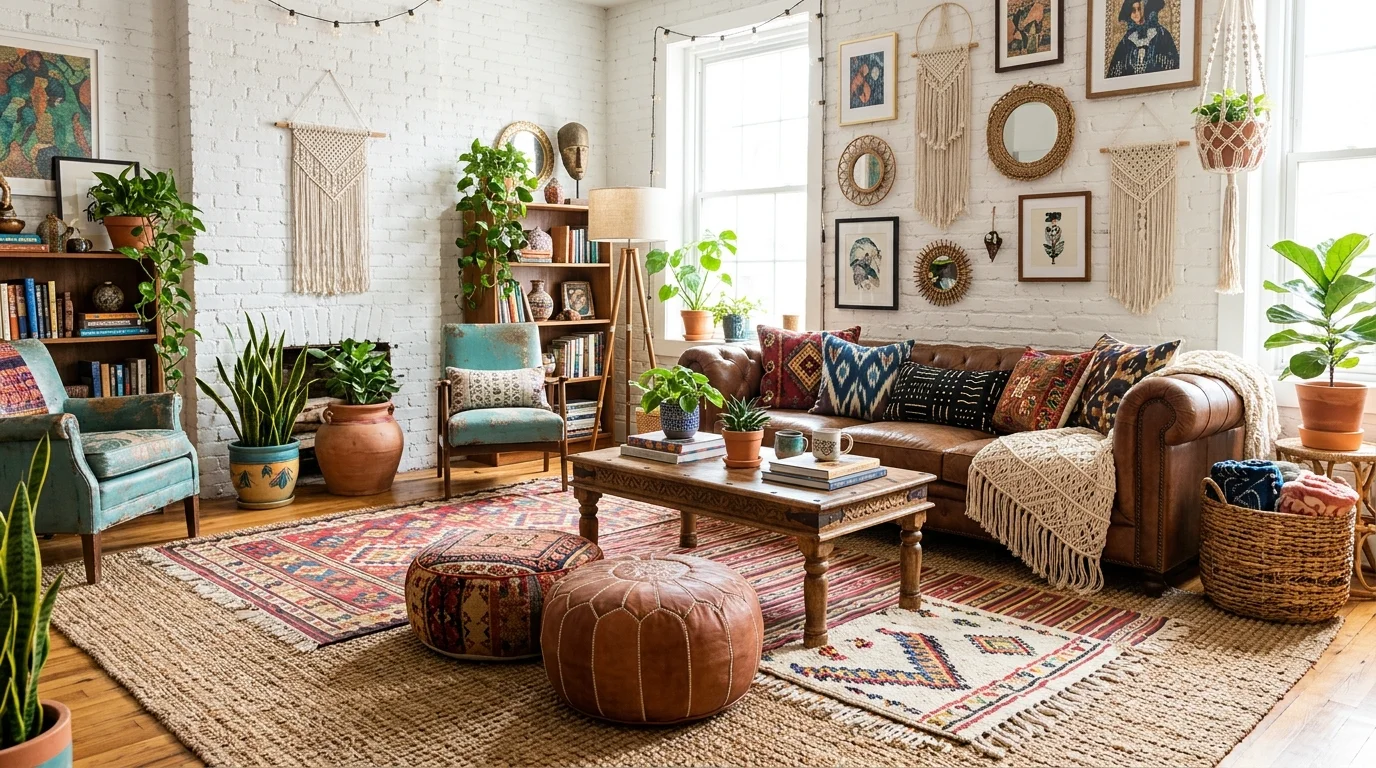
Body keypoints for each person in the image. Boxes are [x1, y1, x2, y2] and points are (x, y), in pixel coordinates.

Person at [1106, 0, 1181, 79]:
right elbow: (1115, 70)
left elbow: (1172, 63)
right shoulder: (1126, 40)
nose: (1136, 13)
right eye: (1133, 10)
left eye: (1139, 9)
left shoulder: (1161, 33)